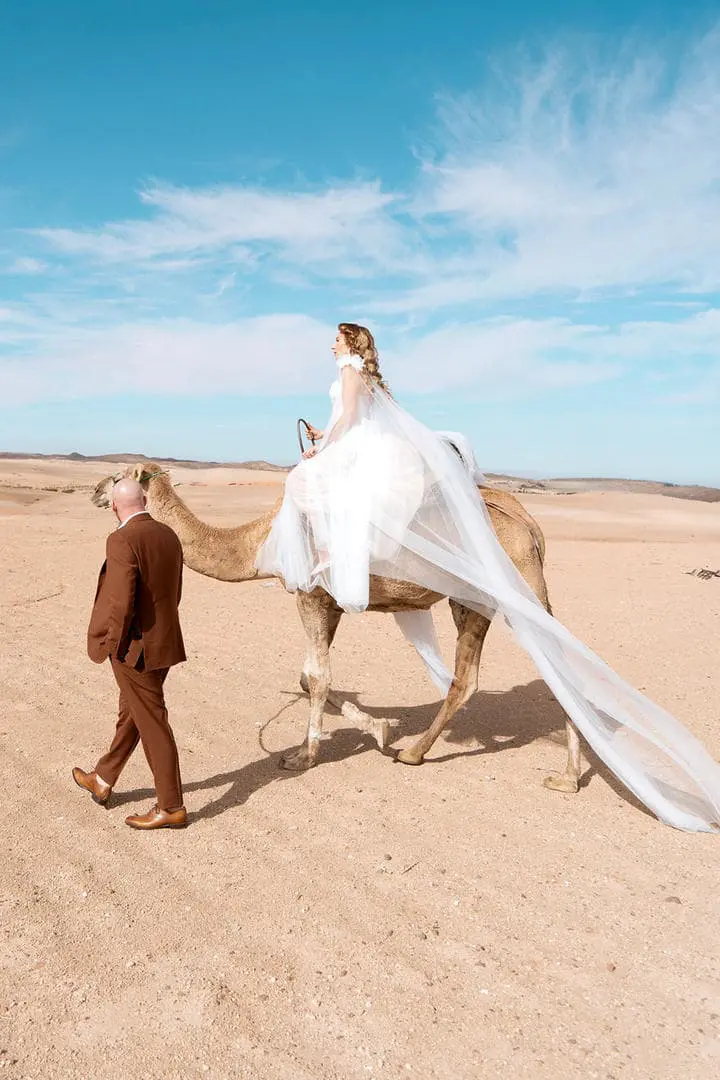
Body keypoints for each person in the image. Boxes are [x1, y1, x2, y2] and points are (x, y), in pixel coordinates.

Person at [257, 322, 720, 833]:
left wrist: (322, 447)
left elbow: (347, 417)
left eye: (336, 339)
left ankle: (327, 562)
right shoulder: (367, 375)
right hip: (364, 445)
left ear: (349, 344)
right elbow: (352, 417)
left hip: (360, 449)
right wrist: (329, 434)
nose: (331, 345)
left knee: (301, 483)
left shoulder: (349, 371)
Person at [73, 477, 188, 830]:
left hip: (135, 649)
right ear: (146, 500)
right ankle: (103, 779)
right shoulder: (168, 534)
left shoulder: (121, 539)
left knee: (152, 721)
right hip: (164, 643)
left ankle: (171, 806)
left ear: (113, 507)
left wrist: (114, 646)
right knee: (133, 714)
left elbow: (120, 603)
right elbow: (174, 590)